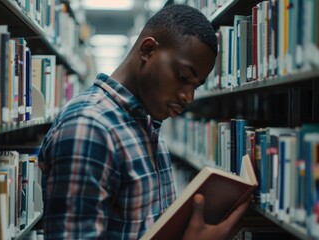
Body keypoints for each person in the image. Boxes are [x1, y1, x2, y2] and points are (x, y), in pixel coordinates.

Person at [38, 3, 251, 240]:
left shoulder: (145, 124)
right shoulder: (88, 129)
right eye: (182, 77)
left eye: (195, 86)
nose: (188, 98)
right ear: (148, 50)